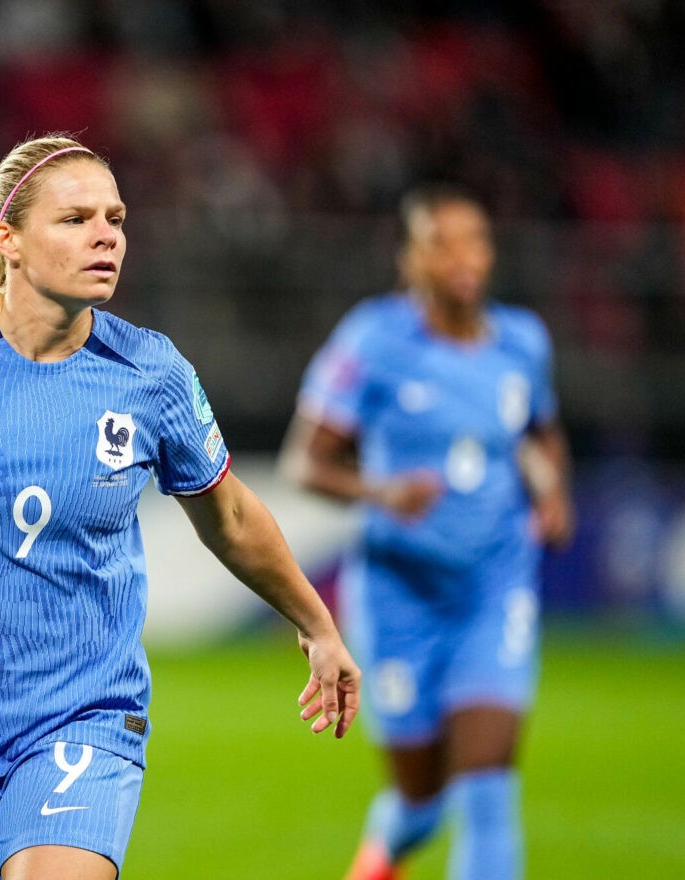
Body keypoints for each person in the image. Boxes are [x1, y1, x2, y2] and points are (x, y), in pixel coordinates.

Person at [0, 134, 361, 880]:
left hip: (84, 715)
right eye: (76, 219)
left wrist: (317, 625)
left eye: (116, 219)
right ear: (10, 239)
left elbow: (229, 517)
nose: (107, 237)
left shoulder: (149, 371)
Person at [280, 183, 575, 880]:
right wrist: (381, 490)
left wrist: (553, 491)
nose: (461, 257)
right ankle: (384, 852)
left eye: (474, 239)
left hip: (493, 586)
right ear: (410, 260)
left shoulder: (522, 343)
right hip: (398, 595)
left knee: (487, 791)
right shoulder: (374, 339)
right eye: (440, 243)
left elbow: (542, 435)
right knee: (421, 802)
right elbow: (304, 461)